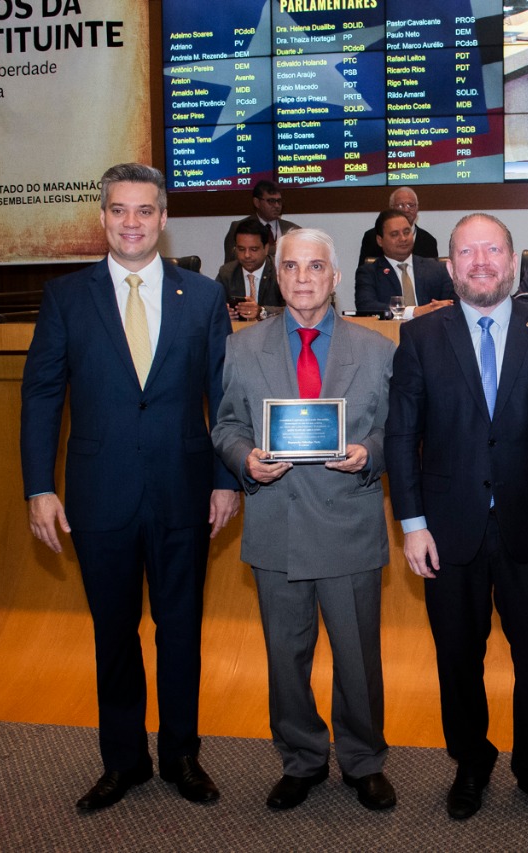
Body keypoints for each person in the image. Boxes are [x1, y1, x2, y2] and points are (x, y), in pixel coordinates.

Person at [21, 163, 241, 810]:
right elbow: (40, 396)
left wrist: (228, 480)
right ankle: (124, 761)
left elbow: (223, 398)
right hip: (99, 494)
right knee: (112, 633)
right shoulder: (65, 296)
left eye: (144, 211)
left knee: (181, 630)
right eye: (119, 210)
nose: (131, 222)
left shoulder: (202, 297)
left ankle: (180, 755)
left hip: (185, 492)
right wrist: (39, 485)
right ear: (102, 218)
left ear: (164, 219)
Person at [385, 213, 528, 824]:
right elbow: (403, 437)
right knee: (457, 659)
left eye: (492, 250)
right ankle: (470, 763)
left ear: (512, 262)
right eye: (467, 252)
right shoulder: (420, 337)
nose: (480, 261)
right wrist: (412, 523)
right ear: (449, 266)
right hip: (447, 533)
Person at [211, 228, 397, 813]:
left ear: (335, 278)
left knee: (357, 657)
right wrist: (245, 460)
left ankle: (363, 759)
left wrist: (371, 453)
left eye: (315, 267)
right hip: (278, 525)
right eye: (291, 268)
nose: (302, 278)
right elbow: (226, 426)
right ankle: (301, 758)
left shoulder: (378, 349)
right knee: (286, 656)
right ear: (278, 274)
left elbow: (402, 432)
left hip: (349, 522)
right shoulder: (242, 348)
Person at [354, 209, 455, 316]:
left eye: (407, 232)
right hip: (389, 331)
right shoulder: (369, 273)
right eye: (394, 234)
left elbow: (456, 301)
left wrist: (442, 306)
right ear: (380, 240)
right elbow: (366, 306)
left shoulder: (437, 268)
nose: (403, 238)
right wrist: (414, 312)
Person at [215, 219, 285, 321]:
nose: (247, 255)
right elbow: (211, 307)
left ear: (266, 249)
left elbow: (294, 310)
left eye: (253, 249)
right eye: (241, 249)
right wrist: (222, 313)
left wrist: (261, 311)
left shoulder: (280, 271)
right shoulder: (227, 273)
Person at [356, 187, 440, 267]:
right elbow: (364, 275)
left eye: (411, 205)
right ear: (391, 208)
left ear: (417, 208)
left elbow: (434, 277)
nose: (406, 210)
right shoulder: (372, 237)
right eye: (400, 205)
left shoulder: (428, 241)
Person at [222, 180, 299, 263]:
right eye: (271, 201)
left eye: (279, 201)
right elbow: (230, 263)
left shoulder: (293, 230)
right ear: (257, 202)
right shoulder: (239, 228)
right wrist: (275, 249)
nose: (277, 206)